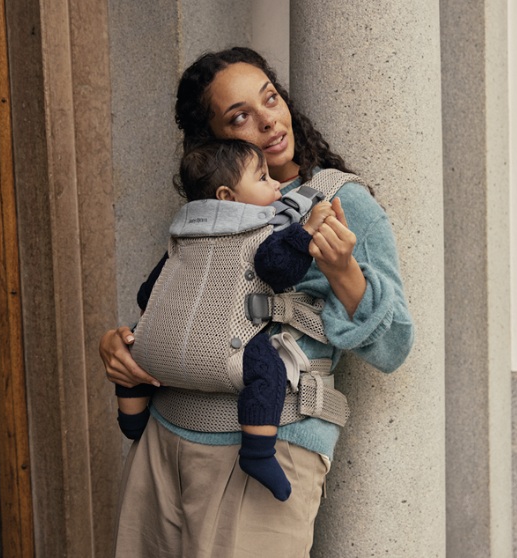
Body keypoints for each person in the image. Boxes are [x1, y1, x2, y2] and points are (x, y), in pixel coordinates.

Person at [100, 46, 414, 557]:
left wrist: (342, 270)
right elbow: (177, 306)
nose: (267, 120)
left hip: (269, 448)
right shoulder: (215, 209)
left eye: (269, 98)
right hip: (161, 439)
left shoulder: (342, 202)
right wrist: (123, 345)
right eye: (239, 116)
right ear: (214, 140)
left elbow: (395, 345)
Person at [117, 137, 337, 502]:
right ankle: (257, 453)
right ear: (227, 196)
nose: (276, 184)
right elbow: (279, 269)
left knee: (134, 345)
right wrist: (306, 232)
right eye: (263, 178)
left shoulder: (184, 234)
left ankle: (131, 420)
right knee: (268, 367)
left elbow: (148, 293)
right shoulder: (263, 231)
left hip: (160, 349)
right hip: (226, 348)